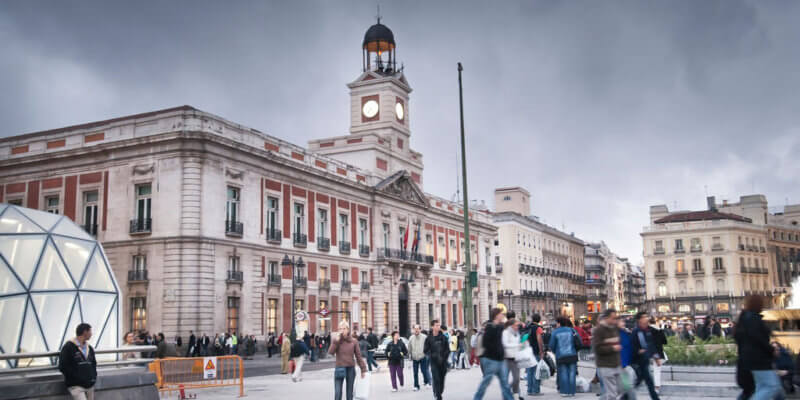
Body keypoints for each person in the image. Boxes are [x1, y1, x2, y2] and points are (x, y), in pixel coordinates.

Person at [736, 295, 783, 400]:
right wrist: (772, 350)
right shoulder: (752, 319)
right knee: (772, 386)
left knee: (765, 387)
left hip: (751, 360)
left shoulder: (745, 318)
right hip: (758, 360)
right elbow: (758, 339)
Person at [472, 309, 514, 400]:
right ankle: (476, 398)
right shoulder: (490, 327)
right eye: (501, 314)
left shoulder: (500, 326)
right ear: (496, 315)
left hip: (500, 360)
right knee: (486, 382)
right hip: (491, 360)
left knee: (505, 383)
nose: (502, 315)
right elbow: (486, 343)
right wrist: (496, 351)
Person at [593, 309, 629, 400]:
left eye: (615, 318)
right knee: (612, 394)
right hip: (606, 365)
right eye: (613, 318)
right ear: (606, 318)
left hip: (617, 364)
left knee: (622, 389)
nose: (614, 320)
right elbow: (597, 349)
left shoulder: (615, 329)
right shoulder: (599, 330)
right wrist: (612, 348)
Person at [329, 321, 367, 400]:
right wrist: (336, 341)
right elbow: (331, 352)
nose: (342, 330)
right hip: (339, 368)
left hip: (350, 369)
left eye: (344, 328)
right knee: (337, 393)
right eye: (340, 329)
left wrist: (363, 369)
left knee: (349, 394)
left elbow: (358, 356)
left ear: (348, 329)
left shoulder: (354, 341)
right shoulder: (336, 340)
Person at [59, 323, 97, 400]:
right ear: (85, 332)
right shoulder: (68, 347)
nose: (91, 334)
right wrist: (76, 377)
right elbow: (62, 366)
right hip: (76, 385)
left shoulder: (89, 348)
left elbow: (94, 364)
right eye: (90, 331)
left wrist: (93, 377)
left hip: (89, 384)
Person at [631, 312, 661, 400]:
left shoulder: (648, 330)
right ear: (639, 320)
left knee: (641, 381)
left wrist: (656, 357)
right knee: (649, 382)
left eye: (646, 317)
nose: (646, 318)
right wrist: (638, 350)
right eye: (644, 317)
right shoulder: (636, 331)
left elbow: (652, 345)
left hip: (645, 360)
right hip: (638, 361)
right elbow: (631, 345)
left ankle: (625, 396)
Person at [548, 316, 579, 397]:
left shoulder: (555, 332)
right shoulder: (572, 330)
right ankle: (572, 391)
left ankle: (565, 391)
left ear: (559, 323)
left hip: (560, 356)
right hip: (572, 354)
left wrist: (556, 352)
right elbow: (579, 342)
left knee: (563, 373)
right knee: (572, 373)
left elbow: (551, 345)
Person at [425, 320, 451, 400]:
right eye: (436, 325)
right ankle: (438, 395)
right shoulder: (429, 338)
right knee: (436, 378)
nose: (438, 327)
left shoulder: (443, 337)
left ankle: (438, 391)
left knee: (441, 380)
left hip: (443, 362)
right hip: (434, 362)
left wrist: (444, 356)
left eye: (439, 325)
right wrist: (432, 355)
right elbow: (425, 350)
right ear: (432, 326)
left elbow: (448, 349)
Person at [502, 318, 523, 399]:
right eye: (516, 325)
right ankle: (507, 395)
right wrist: (517, 345)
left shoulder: (516, 333)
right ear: (511, 325)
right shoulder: (505, 332)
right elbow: (505, 344)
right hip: (507, 358)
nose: (518, 327)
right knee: (505, 379)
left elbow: (518, 343)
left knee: (517, 379)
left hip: (516, 358)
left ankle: (515, 394)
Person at [525, 314, 545, 397]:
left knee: (529, 372)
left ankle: (529, 390)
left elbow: (524, 340)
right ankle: (536, 390)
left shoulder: (527, 327)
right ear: (539, 320)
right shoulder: (538, 328)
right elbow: (539, 340)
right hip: (535, 352)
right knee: (536, 372)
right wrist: (541, 351)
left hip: (527, 352)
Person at [408, 324, 431, 391]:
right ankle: (416, 386)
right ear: (413, 330)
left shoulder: (424, 337)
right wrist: (409, 355)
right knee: (415, 373)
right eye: (415, 329)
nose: (416, 330)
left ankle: (426, 382)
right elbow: (409, 347)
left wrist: (426, 353)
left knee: (424, 371)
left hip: (422, 356)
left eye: (417, 329)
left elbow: (428, 346)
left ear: (420, 330)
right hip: (415, 357)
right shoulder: (411, 338)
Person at [650, 318, 667, 392]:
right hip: (659, 352)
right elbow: (665, 341)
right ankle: (657, 386)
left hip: (650, 352)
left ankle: (655, 386)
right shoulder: (659, 330)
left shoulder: (648, 330)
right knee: (657, 370)